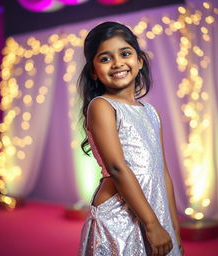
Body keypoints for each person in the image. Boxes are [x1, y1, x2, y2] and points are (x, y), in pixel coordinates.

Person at [78, 21, 184, 256]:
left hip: (154, 210)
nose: (117, 63)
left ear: (139, 61)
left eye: (125, 53)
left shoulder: (150, 111)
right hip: (119, 217)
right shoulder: (102, 106)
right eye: (105, 59)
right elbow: (117, 167)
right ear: (94, 71)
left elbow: (162, 172)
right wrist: (152, 224)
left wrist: (173, 227)